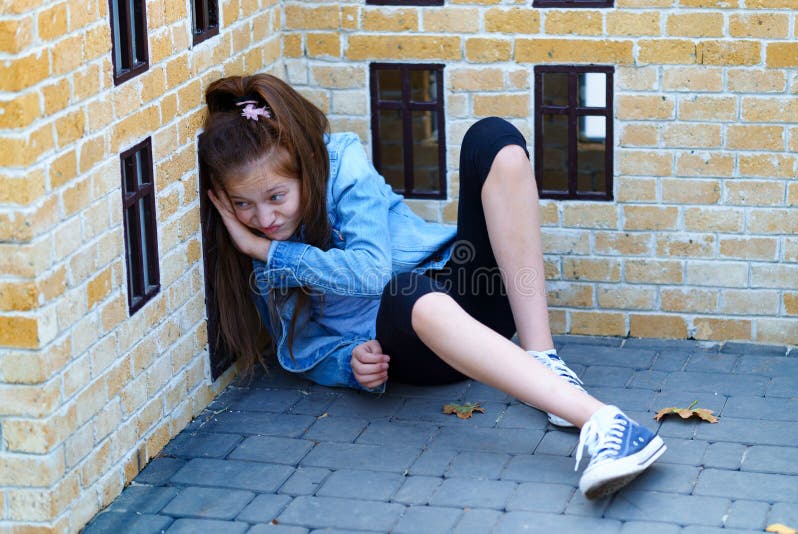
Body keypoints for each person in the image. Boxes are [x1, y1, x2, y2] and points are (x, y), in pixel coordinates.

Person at [199, 73, 666, 499]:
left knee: (492, 137)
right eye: (242, 204)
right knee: (404, 292)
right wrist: (347, 363)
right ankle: (603, 421)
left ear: (304, 167)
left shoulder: (337, 166)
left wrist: (268, 252)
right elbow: (297, 346)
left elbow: (369, 269)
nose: (263, 219)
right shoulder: (262, 253)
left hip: (463, 296)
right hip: (413, 343)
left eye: (276, 197)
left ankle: (542, 358)